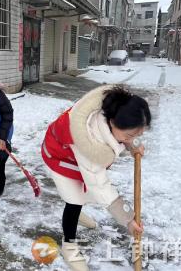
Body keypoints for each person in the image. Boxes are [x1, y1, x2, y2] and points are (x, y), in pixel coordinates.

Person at [41, 85, 150, 271]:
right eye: (130, 135)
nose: (133, 138)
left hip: (74, 155)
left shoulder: (115, 107)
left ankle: (76, 214)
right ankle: (69, 246)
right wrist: (127, 219)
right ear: (113, 123)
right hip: (59, 157)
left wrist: (133, 144)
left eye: (138, 134)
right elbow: (100, 186)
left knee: (83, 194)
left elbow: (126, 134)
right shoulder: (90, 142)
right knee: (74, 200)